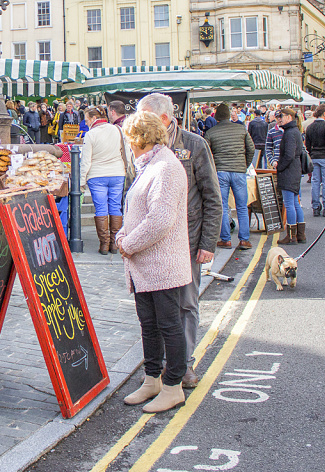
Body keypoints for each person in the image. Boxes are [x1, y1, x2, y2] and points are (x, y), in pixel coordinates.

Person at [136, 93, 221, 388]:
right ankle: (158, 368)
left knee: (185, 304)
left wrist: (208, 243)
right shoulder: (140, 145)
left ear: (162, 118)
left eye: (142, 116)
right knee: (155, 309)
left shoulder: (194, 145)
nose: (137, 122)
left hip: (187, 242)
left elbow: (212, 196)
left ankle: (183, 365)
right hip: (151, 245)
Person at [115, 110, 191, 413]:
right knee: (149, 325)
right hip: (144, 265)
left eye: (129, 139)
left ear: (139, 138)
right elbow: (136, 210)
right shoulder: (151, 164)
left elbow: (160, 220)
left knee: (169, 325)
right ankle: (152, 379)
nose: (127, 145)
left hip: (161, 264)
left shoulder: (166, 167)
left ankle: (173, 386)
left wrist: (128, 244)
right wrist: (123, 236)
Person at [204, 102, 255, 250]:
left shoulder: (211, 132)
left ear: (217, 117)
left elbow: (206, 154)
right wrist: (244, 165)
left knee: (222, 205)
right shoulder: (241, 129)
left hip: (220, 172)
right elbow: (251, 149)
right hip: (239, 171)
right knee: (242, 207)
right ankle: (244, 240)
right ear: (229, 116)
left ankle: (225, 239)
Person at [80, 107, 130, 255]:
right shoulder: (117, 130)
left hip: (97, 175)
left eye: (87, 119)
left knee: (101, 209)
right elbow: (126, 152)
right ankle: (114, 244)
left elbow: (86, 162)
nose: (86, 122)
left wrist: (81, 181)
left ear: (94, 119)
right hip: (117, 173)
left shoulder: (90, 135)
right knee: (115, 207)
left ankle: (103, 245)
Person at [276, 109, 305, 245]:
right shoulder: (295, 131)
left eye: (281, 116)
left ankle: (291, 236)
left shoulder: (290, 133)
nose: (279, 119)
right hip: (295, 170)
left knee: (289, 204)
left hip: (289, 171)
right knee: (295, 203)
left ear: (288, 117)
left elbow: (289, 155)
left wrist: (280, 167)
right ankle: (300, 234)